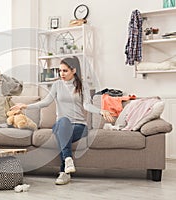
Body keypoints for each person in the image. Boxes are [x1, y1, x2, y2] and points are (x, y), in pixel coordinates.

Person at [11, 56, 114, 185]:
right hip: (60, 124)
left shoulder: (83, 85)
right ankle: (68, 161)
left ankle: (64, 172)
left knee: (64, 135)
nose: (61, 74)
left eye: (65, 71)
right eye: (60, 71)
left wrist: (101, 111)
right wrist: (25, 106)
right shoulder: (57, 85)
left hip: (79, 126)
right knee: (64, 122)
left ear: (74, 70)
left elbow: (87, 105)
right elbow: (46, 102)